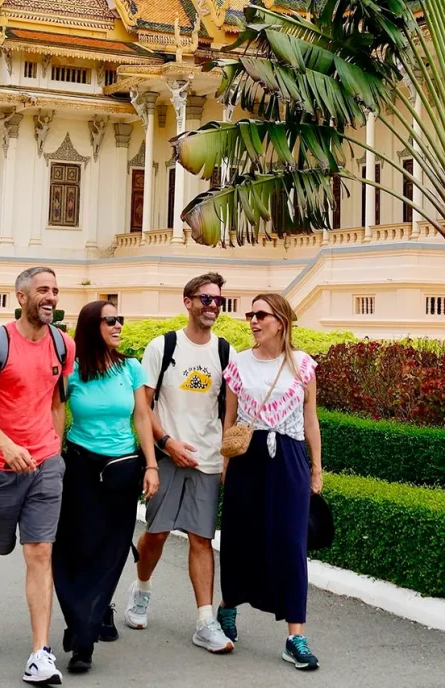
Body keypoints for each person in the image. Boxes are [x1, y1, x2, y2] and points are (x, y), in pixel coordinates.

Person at [0, 266, 74, 686]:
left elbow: (57, 402)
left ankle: (39, 652)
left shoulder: (64, 345)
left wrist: (54, 449)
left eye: (55, 291)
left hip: (44, 465)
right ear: (21, 297)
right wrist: (8, 448)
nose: (50, 297)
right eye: (42, 290)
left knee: (40, 553)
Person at [124, 273, 236, 654]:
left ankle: (205, 620)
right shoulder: (163, 345)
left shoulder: (225, 351)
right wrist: (166, 446)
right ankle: (141, 589)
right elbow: (144, 406)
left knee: (201, 538)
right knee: (156, 532)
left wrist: (226, 456)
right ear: (187, 302)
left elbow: (231, 412)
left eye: (218, 300)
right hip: (169, 455)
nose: (213, 306)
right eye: (206, 299)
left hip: (206, 459)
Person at [216, 293, 323, 671]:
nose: (253, 321)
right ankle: (228, 608)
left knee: (291, 543)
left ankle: (296, 635)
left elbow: (311, 421)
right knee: (239, 535)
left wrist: (316, 466)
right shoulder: (238, 363)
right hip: (247, 456)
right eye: (250, 315)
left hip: (290, 457)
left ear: (280, 321)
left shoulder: (303, 365)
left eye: (260, 315)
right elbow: (229, 419)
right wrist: (225, 462)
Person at [52, 301, 159, 674]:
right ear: (90, 326)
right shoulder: (74, 370)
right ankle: (80, 619)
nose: (118, 325)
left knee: (111, 552)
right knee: (71, 549)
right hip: (79, 468)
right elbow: (53, 412)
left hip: (122, 470)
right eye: (110, 320)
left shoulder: (130, 367)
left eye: (120, 319)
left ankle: (84, 637)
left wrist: (151, 465)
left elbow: (142, 417)